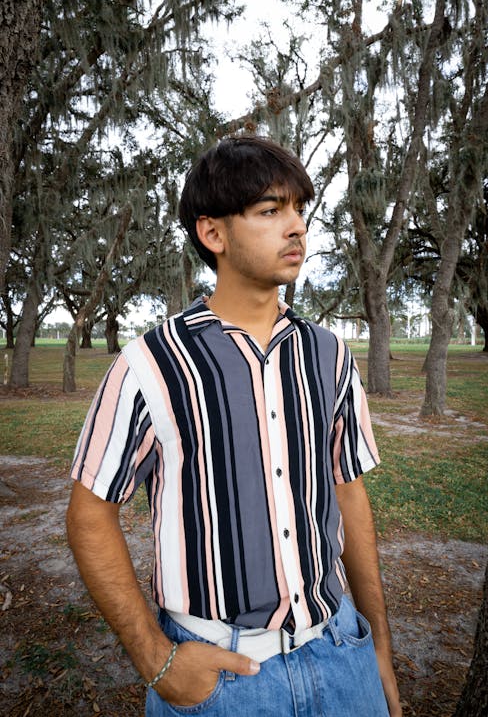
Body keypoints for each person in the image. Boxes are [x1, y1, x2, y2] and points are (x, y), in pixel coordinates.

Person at [66, 136, 402, 717]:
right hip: (222, 680)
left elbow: (349, 492)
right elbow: (89, 513)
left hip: (340, 654)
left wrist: (379, 651)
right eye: (271, 211)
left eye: (299, 208)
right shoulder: (152, 363)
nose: (295, 226)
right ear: (213, 234)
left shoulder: (329, 355)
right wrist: (157, 662)